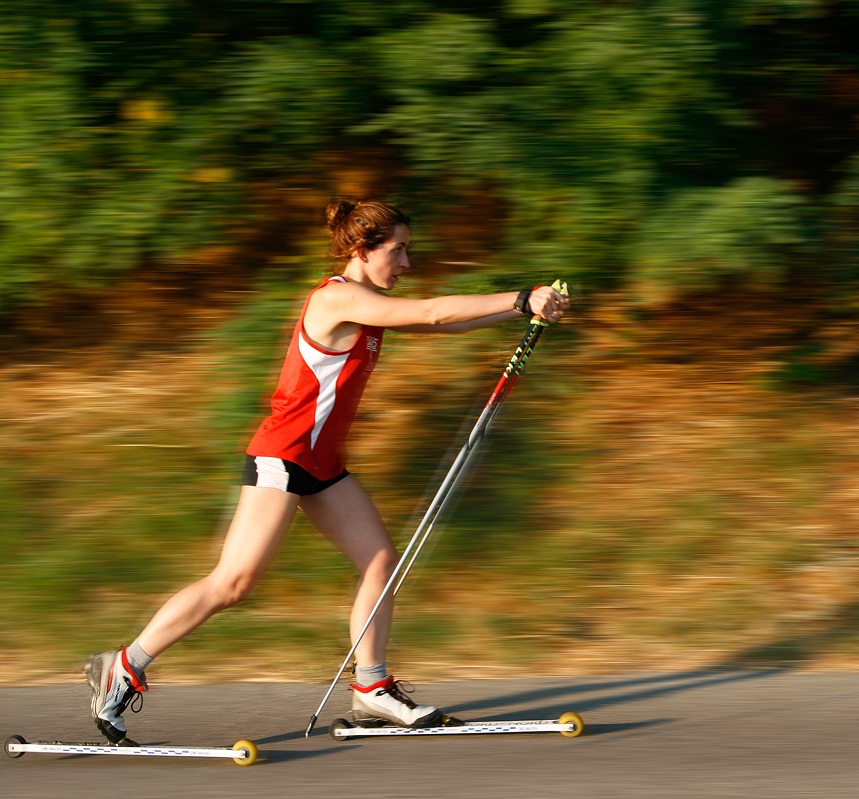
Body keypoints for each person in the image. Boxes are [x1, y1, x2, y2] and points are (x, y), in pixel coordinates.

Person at [85, 199, 570, 744]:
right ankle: (124, 666)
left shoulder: (366, 305)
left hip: (322, 463)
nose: (406, 263)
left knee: (379, 560)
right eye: (398, 250)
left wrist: (519, 312)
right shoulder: (337, 297)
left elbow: (438, 326)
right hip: (284, 455)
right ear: (363, 251)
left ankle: (371, 688)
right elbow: (432, 312)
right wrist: (521, 295)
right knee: (235, 582)